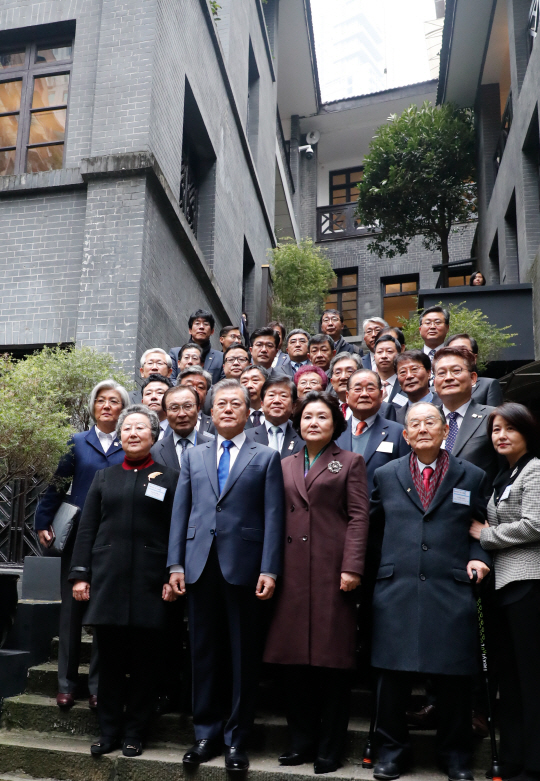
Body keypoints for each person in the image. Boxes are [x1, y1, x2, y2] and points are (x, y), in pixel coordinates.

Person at [167, 379, 285, 771]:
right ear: (211, 412)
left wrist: (270, 567)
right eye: (221, 404)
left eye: (236, 403)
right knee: (203, 654)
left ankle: (237, 740)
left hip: (245, 568)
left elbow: (273, 515)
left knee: (242, 656)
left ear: (248, 410)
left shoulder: (265, 456)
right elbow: (180, 514)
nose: (228, 409)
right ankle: (205, 734)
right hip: (199, 566)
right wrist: (175, 564)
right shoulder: (194, 456)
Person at [369, 402, 491, 781]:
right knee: (392, 678)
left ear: (444, 432)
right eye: (415, 424)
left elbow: (482, 526)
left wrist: (479, 556)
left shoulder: (471, 475)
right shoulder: (386, 474)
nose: (423, 429)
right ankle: (391, 751)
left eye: (431, 423)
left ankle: (455, 754)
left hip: (450, 585)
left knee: (454, 678)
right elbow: (371, 532)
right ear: (405, 435)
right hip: (397, 586)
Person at [264, 391, 369, 774]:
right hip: (291, 574)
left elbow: (359, 518)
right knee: (294, 666)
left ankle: (330, 747)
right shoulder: (284, 463)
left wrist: (352, 566)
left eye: (321, 417)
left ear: (335, 423)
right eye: (307, 416)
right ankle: (301, 742)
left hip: (331, 572)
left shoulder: (351, 462)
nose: (313, 423)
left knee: (332, 664)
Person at [69, 405, 179, 757]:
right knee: (110, 665)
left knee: (146, 665)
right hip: (108, 581)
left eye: (140, 428)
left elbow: (176, 532)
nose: (132, 433)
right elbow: (87, 529)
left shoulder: (169, 478)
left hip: (150, 583)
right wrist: (80, 575)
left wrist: (169, 574)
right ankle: (109, 732)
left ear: (153, 435)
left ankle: (135, 733)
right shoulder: (105, 477)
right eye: (126, 428)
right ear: (119, 436)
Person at [35, 380, 130, 710]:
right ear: (93, 407)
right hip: (77, 536)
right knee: (71, 614)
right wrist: (41, 521)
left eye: (114, 401)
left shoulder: (129, 444)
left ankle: (98, 685)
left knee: (102, 614)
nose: (106, 405)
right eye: (101, 400)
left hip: (113, 539)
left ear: (123, 409)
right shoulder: (77, 442)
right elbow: (57, 485)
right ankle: (65, 683)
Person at [470, 403, 540, 781]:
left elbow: (535, 524)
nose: (501, 435)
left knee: (531, 679)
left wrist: (487, 536)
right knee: (509, 681)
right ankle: (513, 756)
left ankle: (535, 761)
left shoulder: (536, 469)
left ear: (527, 432)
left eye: (509, 429)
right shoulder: (501, 475)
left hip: (529, 582)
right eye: (496, 429)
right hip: (502, 587)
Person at [432, 346, 501, 491]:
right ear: (434, 383)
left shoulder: (494, 417)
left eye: (456, 371)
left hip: (478, 508)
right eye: (441, 373)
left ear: (473, 378)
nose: (449, 377)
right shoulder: (425, 420)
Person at [335, 369, 409, 494]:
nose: (364, 394)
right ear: (347, 396)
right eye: (358, 389)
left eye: (370, 389)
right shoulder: (334, 432)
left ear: (381, 395)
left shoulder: (398, 433)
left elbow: (405, 479)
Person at [151, 385, 213, 469]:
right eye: (174, 408)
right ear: (166, 414)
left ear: (198, 409)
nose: (181, 414)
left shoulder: (214, 446)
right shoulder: (155, 451)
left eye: (187, 406)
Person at [245, 376, 304, 457]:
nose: (276, 401)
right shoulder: (246, 437)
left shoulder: (302, 437)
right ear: (262, 404)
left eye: (283, 396)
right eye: (271, 395)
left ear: (293, 406)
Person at [445, 334, 504, 406]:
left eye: (463, 350)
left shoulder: (488, 385)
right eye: (452, 351)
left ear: (474, 358)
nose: (458, 354)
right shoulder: (437, 389)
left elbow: (495, 415)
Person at [170, 309, 223, 384]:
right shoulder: (175, 353)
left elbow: (222, 386)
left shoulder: (221, 357)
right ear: (190, 330)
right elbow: (170, 380)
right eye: (197, 323)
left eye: (205, 324)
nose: (201, 327)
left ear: (212, 331)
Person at [392, 350, 441, 424]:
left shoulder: (445, 404)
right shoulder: (396, 417)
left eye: (414, 369)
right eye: (402, 372)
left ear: (428, 373)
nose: (409, 376)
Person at [178, 366, 215, 436]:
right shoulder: (167, 422)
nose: (194, 390)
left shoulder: (215, 423)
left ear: (206, 393)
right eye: (189, 386)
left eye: (200, 387)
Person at [328, 352, 363, 419]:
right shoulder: (327, 408)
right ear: (331, 381)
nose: (343, 377)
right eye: (338, 373)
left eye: (349, 371)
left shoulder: (373, 407)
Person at [140, 374, 174, 439]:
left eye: (160, 392)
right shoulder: (134, 431)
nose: (153, 397)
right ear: (142, 401)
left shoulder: (178, 429)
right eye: (148, 393)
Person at [373, 335, 401, 403]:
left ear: (399, 355)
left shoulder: (405, 382)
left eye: (389, 351)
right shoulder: (368, 383)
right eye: (380, 352)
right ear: (374, 357)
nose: (384, 356)